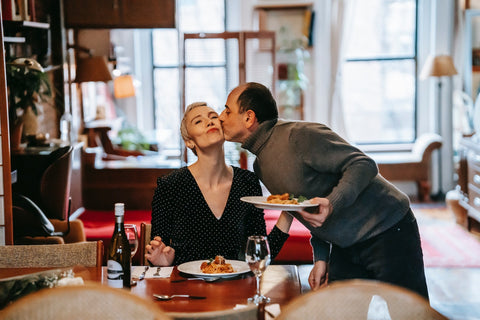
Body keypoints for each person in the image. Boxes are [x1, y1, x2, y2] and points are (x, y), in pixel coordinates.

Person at [218, 82, 429, 299]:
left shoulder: (299, 136)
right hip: (344, 246)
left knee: (410, 313)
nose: (221, 117)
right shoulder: (260, 166)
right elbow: (306, 205)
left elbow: (363, 164)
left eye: (227, 110)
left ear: (249, 117)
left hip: (388, 230)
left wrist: (333, 202)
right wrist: (321, 257)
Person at [145, 102, 292, 266]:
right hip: (186, 288)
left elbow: (259, 255)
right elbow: (157, 252)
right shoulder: (170, 185)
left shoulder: (248, 181)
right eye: (198, 121)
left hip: (238, 288)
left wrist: (291, 211)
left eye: (214, 117)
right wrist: (162, 262)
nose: (209, 122)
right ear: (189, 142)